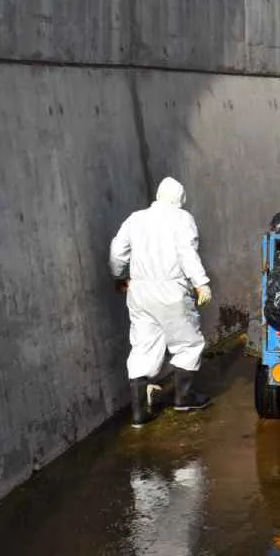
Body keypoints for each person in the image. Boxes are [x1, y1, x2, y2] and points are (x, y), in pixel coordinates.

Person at [109, 177, 213, 427]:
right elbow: (186, 252)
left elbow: (117, 251)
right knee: (188, 343)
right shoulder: (182, 219)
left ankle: (139, 413)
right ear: (181, 198)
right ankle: (184, 398)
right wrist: (201, 283)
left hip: (139, 290)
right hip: (171, 289)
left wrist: (120, 276)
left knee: (143, 345)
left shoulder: (135, 219)